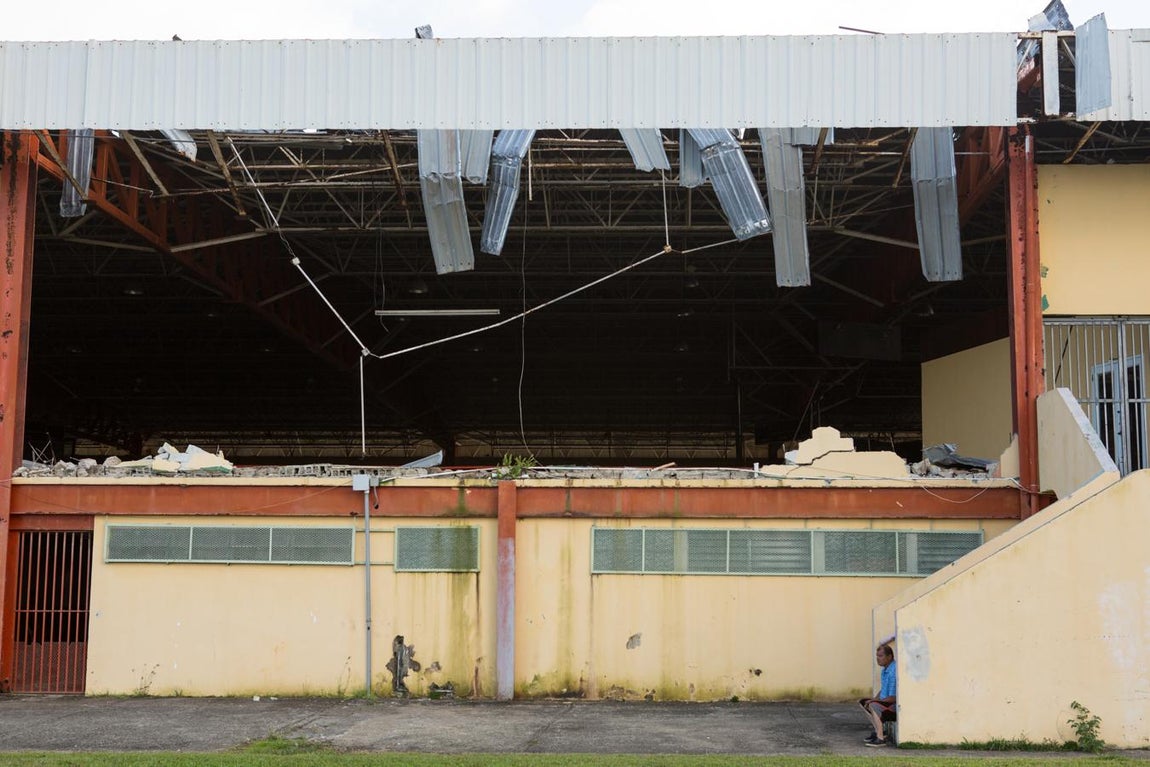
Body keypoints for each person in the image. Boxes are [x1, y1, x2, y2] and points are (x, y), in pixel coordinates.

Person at [858, 641, 896, 747]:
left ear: (889, 657)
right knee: (863, 702)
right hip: (886, 704)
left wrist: (874, 701)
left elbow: (893, 698)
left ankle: (880, 738)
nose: (878, 658)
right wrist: (874, 699)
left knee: (873, 705)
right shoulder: (885, 669)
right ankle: (879, 731)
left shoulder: (893, 671)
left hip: (893, 707)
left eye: (881, 656)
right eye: (877, 656)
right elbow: (883, 690)